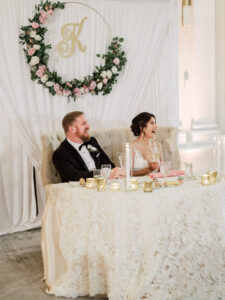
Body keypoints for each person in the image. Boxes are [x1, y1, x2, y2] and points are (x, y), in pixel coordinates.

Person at [53, 111, 124, 182]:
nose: (88, 127)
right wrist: (102, 174)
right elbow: (74, 176)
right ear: (72, 129)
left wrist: (116, 172)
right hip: (82, 190)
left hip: (105, 185)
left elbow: (108, 164)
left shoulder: (92, 142)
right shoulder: (60, 154)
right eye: (83, 124)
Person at [130, 112, 162, 176]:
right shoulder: (131, 147)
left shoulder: (157, 145)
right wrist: (149, 169)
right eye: (152, 123)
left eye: (155, 123)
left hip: (156, 184)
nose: (156, 126)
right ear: (141, 127)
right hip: (138, 184)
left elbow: (161, 170)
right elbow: (128, 173)